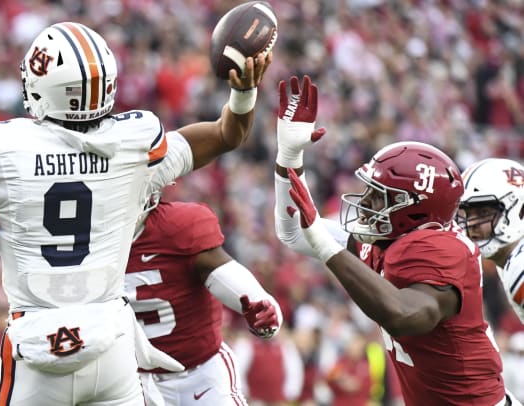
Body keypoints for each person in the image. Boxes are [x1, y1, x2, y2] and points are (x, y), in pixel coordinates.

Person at [0, 21, 271, 405]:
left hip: (38, 345)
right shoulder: (134, 147)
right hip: (110, 346)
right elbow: (228, 134)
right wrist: (244, 91)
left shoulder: (5, 150)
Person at [271, 75, 519, 405]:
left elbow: (403, 315)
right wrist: (289, 155)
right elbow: (292, 231)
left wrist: (326, 246)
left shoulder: (441, 251)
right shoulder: (389, 242)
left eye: (379, 196)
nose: (365, 203)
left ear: (415, 210)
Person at [125, 193, 283, 406]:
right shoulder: (84, 241)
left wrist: (264, 307)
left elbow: (224, 275)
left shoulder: (177, 227)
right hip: (132, 379)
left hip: (201, 375)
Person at [456, 158, 524, 324]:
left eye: (484, 213)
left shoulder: (519, 265)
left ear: (519, 210)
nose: (471, 225)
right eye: (468, 214)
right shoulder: (512, 261)